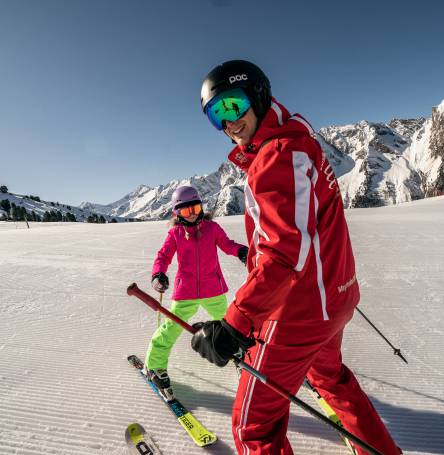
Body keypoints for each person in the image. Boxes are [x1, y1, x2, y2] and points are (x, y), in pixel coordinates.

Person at [191, 60, 402, 455]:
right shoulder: (299, 143)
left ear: (257, 96)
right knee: (330, 378)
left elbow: (284, 255)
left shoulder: (277, 156)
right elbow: (304, 233)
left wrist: (236, 324)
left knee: (254, 427)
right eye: (216, 115)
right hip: (334, 299)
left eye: (233, 106)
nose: (229, 124)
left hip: (296, 314)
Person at [143, 185, 248, 399]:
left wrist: (241, 251)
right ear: (176, 213)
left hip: (213, 288)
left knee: (230, 326)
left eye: (195, 208)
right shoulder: (175, 234)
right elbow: (163, 256)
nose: (191, 214)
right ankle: (154, 366)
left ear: (201, 208)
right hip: (186, 292)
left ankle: (240, 356)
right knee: (170, 329)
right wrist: (158, 275)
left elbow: (227, 244)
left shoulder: (212, 228)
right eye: (184, 211)